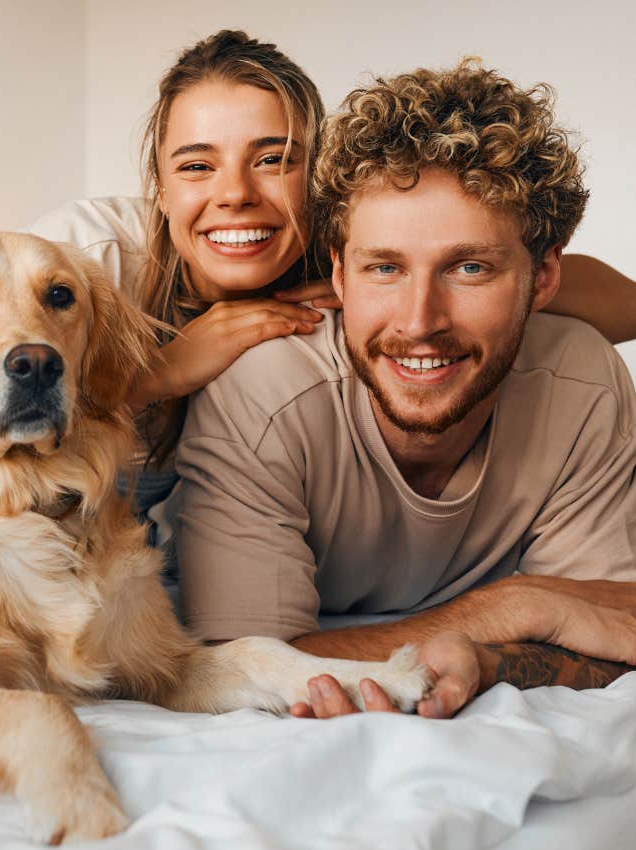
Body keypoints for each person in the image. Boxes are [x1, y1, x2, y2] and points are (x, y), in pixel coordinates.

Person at [174, 58, 636, 719]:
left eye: (469, 267)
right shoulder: (264, 393)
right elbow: (256, 668)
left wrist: (498, 650)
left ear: (543, 279)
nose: (420, 323)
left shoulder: (580, 380)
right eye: (383, 268)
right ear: (337, 274)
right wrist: (511, 608)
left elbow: (610, 629)